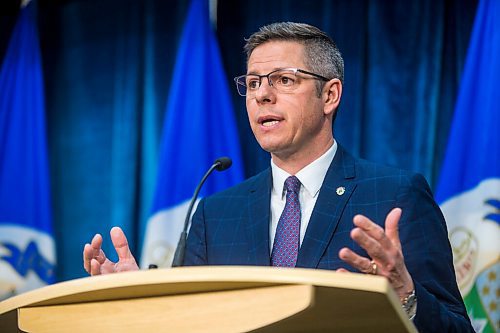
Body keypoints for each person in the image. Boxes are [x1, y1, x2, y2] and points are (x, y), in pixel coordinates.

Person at [83, 22, 473, 332]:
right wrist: (139, 298)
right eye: (253, 83)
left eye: (284, 80)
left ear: (330, 95)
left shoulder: (394, 195)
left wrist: (406, 294)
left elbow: (457, 328)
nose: (262, 95)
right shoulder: (215, 215)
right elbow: (189, 322)